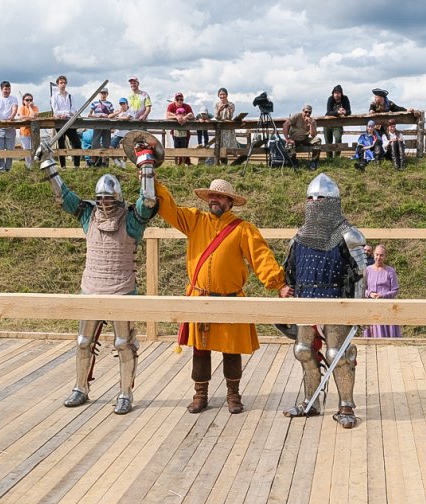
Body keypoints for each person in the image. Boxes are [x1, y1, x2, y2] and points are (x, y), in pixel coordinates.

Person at [35, 143, 157, 414]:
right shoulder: (88, 214)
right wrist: (48, 164)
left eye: (108, 198)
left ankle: (125, 393)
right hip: (91, 286)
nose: (105, 202)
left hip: (122, 288)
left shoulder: (131, 219)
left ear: (118, 197)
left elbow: (148, 201)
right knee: (82, 342)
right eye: (101, 198)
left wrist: (146, 165)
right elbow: (63, 196)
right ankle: (80, 387)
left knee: (124, 344)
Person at [154, 177, 293, 414]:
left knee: (231, 349)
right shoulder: (194, 221)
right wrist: (153, 183)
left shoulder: (243, 229)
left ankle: (233, 395)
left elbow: (261, 257)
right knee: (201, 349)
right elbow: (169, 209)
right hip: (200, 298)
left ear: (230, 202)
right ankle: (200, 394)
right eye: (211, 196)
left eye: (219, 196)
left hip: (230, 298)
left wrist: (278, 283)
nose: (213, 200)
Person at [282, 173, 367, 429]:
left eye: (321, 198)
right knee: (303, 351)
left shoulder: (349, 236)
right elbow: (290, 274)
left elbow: (360, 276)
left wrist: (358, 312)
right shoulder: (299, 238)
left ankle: (346, 406)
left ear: (332, 203)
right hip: (306, 300)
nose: (315, 201)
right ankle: (311, 401)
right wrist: (287, 291)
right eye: (311, 198)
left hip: (336, 301)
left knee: (337, 355)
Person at [363, 244, 401, 338]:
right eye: (377, 254)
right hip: (371, 308)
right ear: (373, 254)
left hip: (386, 308)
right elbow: (362, 289)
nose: (378, 257)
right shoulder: (367, 270)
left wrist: (383, 295)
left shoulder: (390, 271)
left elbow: (395, 290)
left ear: (385, 256)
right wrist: (370, 293)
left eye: (381, 255)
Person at [50, 75, 82, 169]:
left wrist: (65, 113)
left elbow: (73, 110)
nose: (63, 85)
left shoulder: (70, 96)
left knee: (76, 143)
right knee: (61, 143)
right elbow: (55, 111)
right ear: (57, 84)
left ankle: (76, 165)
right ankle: (63, 166)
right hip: (60, 122)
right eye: (61, 83)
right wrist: (64, 113)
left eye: (64, 83)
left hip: (70, 122)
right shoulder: (54, 97)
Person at [0, 80, 18, 172]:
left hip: (10, 126)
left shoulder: (13, 98)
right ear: (1, 89)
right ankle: (1, 169)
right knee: (0, 148)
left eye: (9, 89)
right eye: (5, 89)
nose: (7, 91)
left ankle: (8, 168)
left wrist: (11, 117)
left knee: (10, 149)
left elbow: (14, 108)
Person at [283, 104, 321, 171]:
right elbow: (285, 124)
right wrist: (287, 138)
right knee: (289, 145)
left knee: (317, 140)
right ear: (302, 111)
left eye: (309, 112)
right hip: (294, 139)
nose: (307, 114)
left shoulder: (313, 121)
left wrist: (311, 124)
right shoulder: (297, 116)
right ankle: (294, 162)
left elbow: (313, 135)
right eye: (306, 112)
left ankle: (314, 162)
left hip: (305, 139)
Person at [88, 87, 115, 167]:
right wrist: (97, 116)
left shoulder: (109, 104)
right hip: (97, 123)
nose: (103, 95)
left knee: (106, 143)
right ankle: (93, 161)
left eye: (104, 93)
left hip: (106, 124)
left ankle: (104, 162)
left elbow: (112, 115)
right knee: (95, 142)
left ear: (107, 94)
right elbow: (89, 114)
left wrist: (107, 116)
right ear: (99, 94)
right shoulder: (95, 103)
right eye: (102, 93)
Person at [324, 84, 351, 158]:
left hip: (338, 124)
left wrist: (345, 112)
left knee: (338, 138)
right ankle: (329, 159)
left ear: (341, 93)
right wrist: (338, 112)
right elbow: (328, 112)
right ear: (333, 93)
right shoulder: (330, 99)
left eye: (338, 93)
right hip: (327, 123)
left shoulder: (345, 98)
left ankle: (337, 158)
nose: (337, 95)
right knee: (328, 141)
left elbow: (349, 111)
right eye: (335, 93)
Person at [166, 92, 194, 166]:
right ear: (174, 99)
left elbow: (192, 116)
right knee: (176, 147)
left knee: (185, 147)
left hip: (186, 132)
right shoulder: (171, 106)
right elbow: (167, 116)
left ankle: (185, 163)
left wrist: (186, 117)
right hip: (174, 131)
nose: (179, 101)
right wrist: (176, 116)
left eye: (181, 99)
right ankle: (178, 164)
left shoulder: (187, 106)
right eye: (177, 99)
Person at [110, 97, 138, 168]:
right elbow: (109, 116)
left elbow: (127, 118)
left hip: (127, 132)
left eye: (123, 103)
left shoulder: (131, 110)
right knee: (110, 147)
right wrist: (118, 113)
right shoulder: (119, 111)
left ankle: (123, 162)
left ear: (127, 103)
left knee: (125, 148)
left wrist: (117, 118)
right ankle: (116, 160)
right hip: (118, 133)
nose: (122, 105)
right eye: (121, 104)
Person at [16, 93, 39, 170]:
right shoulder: (22, 108)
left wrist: (30, 108)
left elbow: (33, 116)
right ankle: (28, 166)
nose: (29, 101)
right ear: (23, 101)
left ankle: (34, 166)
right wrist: (28, 117)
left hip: (34, 133)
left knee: (34, 149)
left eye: (30, 100)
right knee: (26, 150)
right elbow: (21, 117)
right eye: (27, 100)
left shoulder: (35, 107)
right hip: (24, 133)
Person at [214, 87, 239, 152]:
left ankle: (229, 158)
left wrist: (229, 110)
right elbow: (216, 117)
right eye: (220, 94)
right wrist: (219, 110)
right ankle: (221, 160)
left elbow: (230, 117)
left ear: (227, 95)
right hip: (220, 127)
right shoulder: (216, 105)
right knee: (219, 144)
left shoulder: (231, 104)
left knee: (229, 144)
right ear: (218, 95)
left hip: (228, 127)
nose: (222, 96)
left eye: (224, 94)